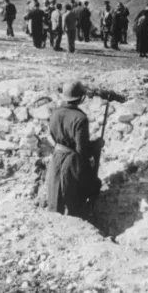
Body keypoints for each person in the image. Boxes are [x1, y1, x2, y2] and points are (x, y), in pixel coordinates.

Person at [46, 81, 104, 218]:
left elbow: (53, 137)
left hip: (57, 156)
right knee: (79, 188)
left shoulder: (54, 113)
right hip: (71, 160)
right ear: (80, 98)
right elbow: (81, 149)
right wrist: (96, 145)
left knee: (55, 188)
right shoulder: (80, 118)